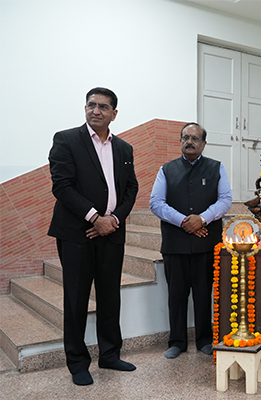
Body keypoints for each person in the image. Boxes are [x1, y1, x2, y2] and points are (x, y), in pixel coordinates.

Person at [48, 87, 139, 386]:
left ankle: (110, 355)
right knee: (76, 298)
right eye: (91, 105)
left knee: (110, 295)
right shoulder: (66, 140)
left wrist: (113, 219)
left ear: (114, 113)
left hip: (112, 232)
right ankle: (77, 362)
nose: (95, 110)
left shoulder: (124, 148)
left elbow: (131, 188)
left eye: (103, 106)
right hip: (78, 233)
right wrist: (94, 218)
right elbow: (62, 186)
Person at [150, 123, 232, 359]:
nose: (190, 142)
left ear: (204, 144)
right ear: (180, 141)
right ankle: (177, 342)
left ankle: (204, 339)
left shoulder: (216, 167)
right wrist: (185, 221)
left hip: (206, 244)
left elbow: (225, 199)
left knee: (203, 294)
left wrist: (202, 219)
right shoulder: (166, 170)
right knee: (176, 296)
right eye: (185, 138)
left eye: (195, 139)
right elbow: (156, 202)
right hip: (175, 244)